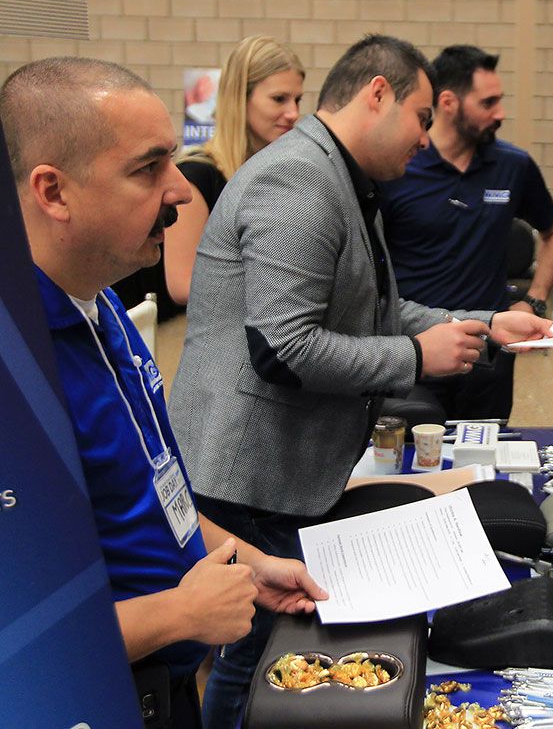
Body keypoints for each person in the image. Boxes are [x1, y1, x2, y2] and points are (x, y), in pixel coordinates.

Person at [167, 35, 550, 727]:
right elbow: (284, 347)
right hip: (248, 469)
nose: (426, 138)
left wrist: (484, 323)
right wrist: (415, 358)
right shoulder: (300, 178)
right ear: (377, 94)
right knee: (262, 655)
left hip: (280, 466)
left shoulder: (344, 177)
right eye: (420, 117)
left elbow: (376, 310)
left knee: (264, 650)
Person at [0, 56, 326, 729]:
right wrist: (176, 614)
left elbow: (152, 492)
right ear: (53, 191)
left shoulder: (102, 304)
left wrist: (248, 562)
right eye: (148, 168)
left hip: (166, 689)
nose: (179, 189)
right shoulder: (17, 369)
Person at [379, 45, 553, 420]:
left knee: (486, 450)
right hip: (417, 349)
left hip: (487, 352)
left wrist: (534, 301)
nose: (500, 113)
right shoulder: (399, 164)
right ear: (448, 102)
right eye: (488, 103)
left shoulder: (513, 165)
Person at [165, 35, 305, 307]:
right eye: (279, 99)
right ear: (241, 98)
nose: (293, 113)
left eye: (297, 100)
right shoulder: (196, 176)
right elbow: (183, 284)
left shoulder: (278, 175)